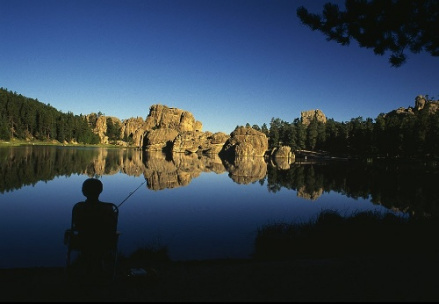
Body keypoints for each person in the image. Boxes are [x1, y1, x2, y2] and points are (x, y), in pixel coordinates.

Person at [69, 178, 119, 278]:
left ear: (83, 191)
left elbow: (76, 225)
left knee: (86, 244)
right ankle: (99, 271)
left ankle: (87, 272)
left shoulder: (79, 207)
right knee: (98, 247)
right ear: (100, 190)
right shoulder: (108, 208)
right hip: (104, 242)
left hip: (82, 242)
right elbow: (112, 225)